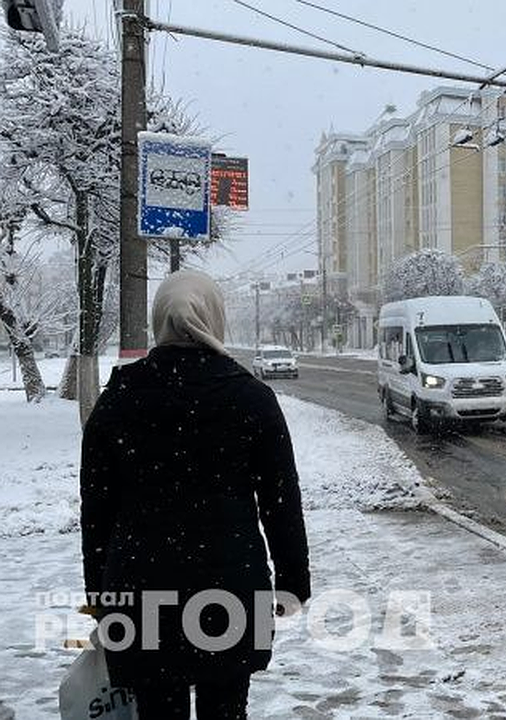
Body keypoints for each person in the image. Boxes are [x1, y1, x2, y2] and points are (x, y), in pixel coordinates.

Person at [81, 271, 311, 720]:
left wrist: (100, 597)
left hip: (142, 589)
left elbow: (97, 511)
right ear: (214, 316)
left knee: (156, 710)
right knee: (225, 708)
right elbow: (281, 501)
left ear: (158, 320)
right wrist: (292, 584)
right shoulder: (250, 397)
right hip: (230, 587)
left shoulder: (119, 399)